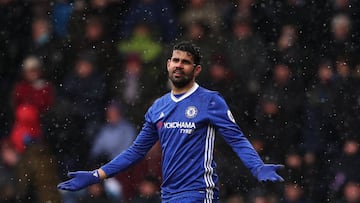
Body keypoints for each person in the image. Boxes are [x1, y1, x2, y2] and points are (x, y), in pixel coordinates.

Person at [57, 41, 284, 202]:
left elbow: (236, 139)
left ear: (196, 70)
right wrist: (96, 175)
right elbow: (136, 151)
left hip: (199, 192)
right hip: (168, 194)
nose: (179, 65)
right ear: (167, 64)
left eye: (186, 62)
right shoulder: (158, 107)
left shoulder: (210, 101)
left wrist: (257, 166)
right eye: (175, 60)